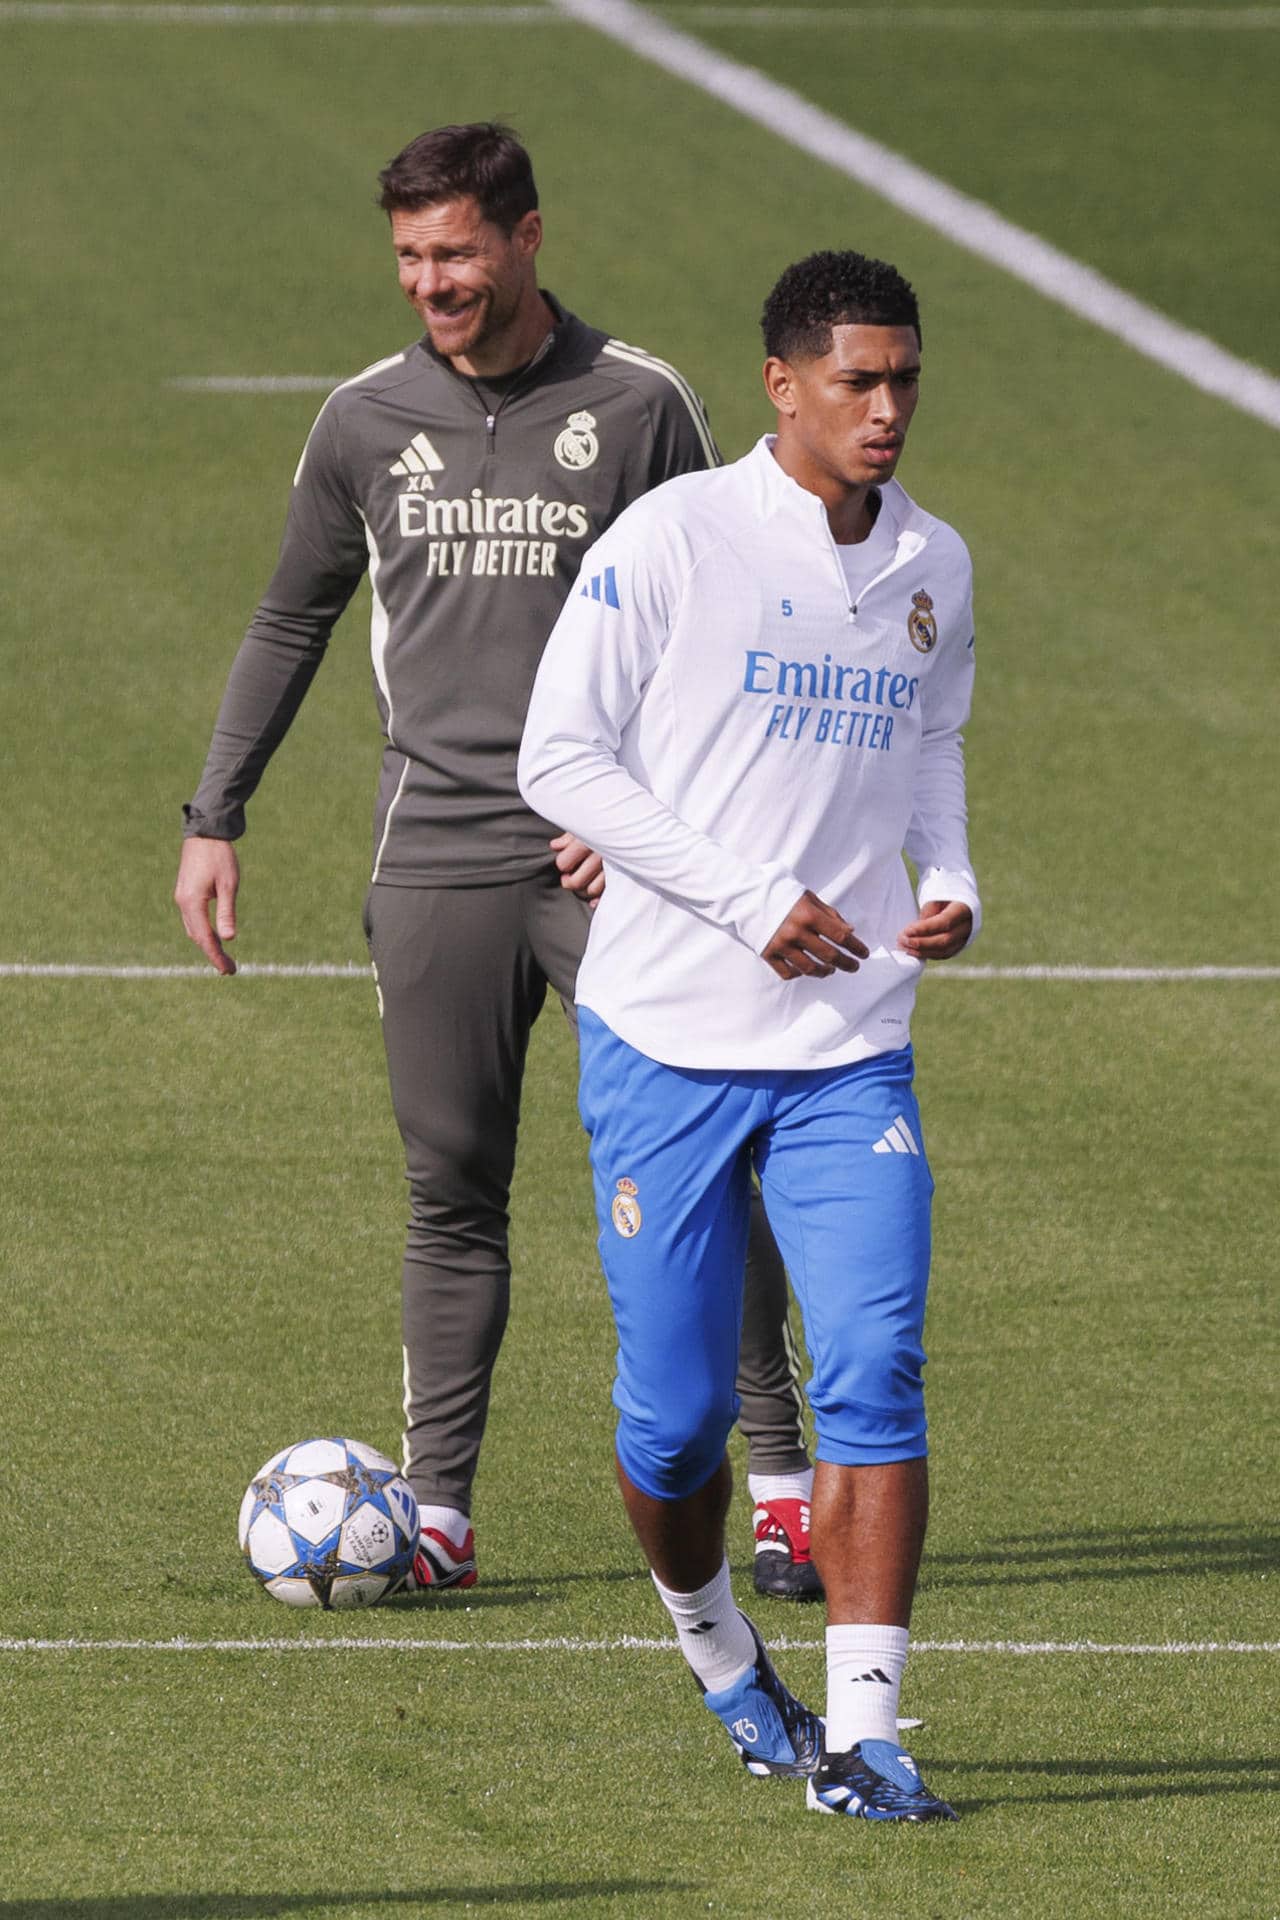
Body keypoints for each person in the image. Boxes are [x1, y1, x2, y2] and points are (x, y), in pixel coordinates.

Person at [174, 122, 819, 1599]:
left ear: (529, 238)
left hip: (618, 863)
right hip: (438, 853)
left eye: (457, 252)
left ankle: (780, 1481)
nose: (433, 284)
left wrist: (648, 816)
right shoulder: (358, 423)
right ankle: (442, 1513)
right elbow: (292, 619)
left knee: (701, 1162)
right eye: (409, 258)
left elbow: (723, 626)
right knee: (451, 1178)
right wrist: (217, 815)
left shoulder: (640, 404)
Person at [518, 248, 980, 1821]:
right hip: (666, 1038)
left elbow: (931, 742)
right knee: (678, 1420)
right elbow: (558, 760)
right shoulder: (675, 540)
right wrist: (742, 901)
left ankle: (865, 1736)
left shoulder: (937, 562)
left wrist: (953, 879)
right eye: (859, 379)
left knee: (873, 1365)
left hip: (852, 1043)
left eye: (906, 377)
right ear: (781, 383)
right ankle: (722, 1657)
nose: (889, 407)